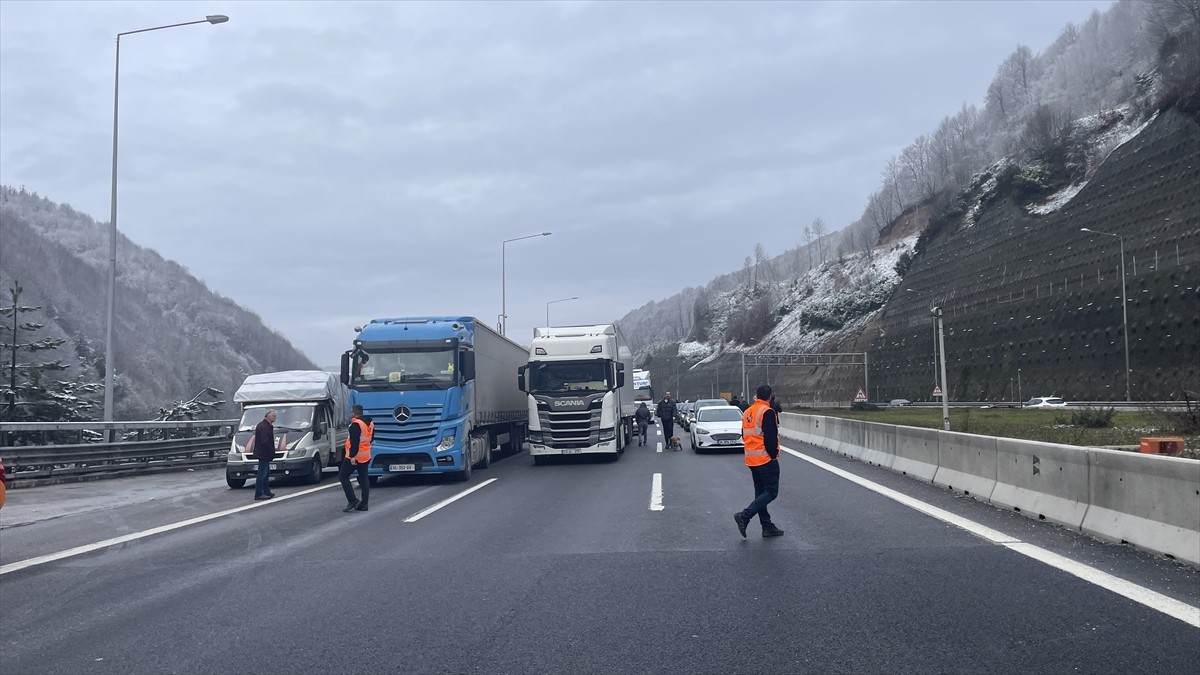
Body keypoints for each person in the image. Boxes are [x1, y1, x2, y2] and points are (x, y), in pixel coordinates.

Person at [734, 385, 784, 538]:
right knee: (771, 492)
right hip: (765, 458)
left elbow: (744, 433)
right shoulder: (767, 412)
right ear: (770, 396)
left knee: (761, 493)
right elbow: (770, 437)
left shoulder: (748, 411)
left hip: (751, 459)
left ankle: (767, 527)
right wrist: (773, 454)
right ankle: (745, 515)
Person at [340, 405, 373, 512]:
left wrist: (352, 456)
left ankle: (352, 500)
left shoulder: (356, 425)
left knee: (343, 477)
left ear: (354, 413)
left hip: (355, 456)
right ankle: (364, 504)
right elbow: (371, 439)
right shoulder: (370, 424)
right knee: (364, 479)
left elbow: (354, 442)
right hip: (366, 455)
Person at [252, 409, 277, 501]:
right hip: (263, 453)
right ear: (267, 416)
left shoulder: (266, 426)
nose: (275, 417)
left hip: (264, 453)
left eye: (275, 415)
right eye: (273, 415)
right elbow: (265, 441)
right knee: (262, 473)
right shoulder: (264, 427)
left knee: (266, 473)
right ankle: (259, 493)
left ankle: (266, 491)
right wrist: (271, 451)